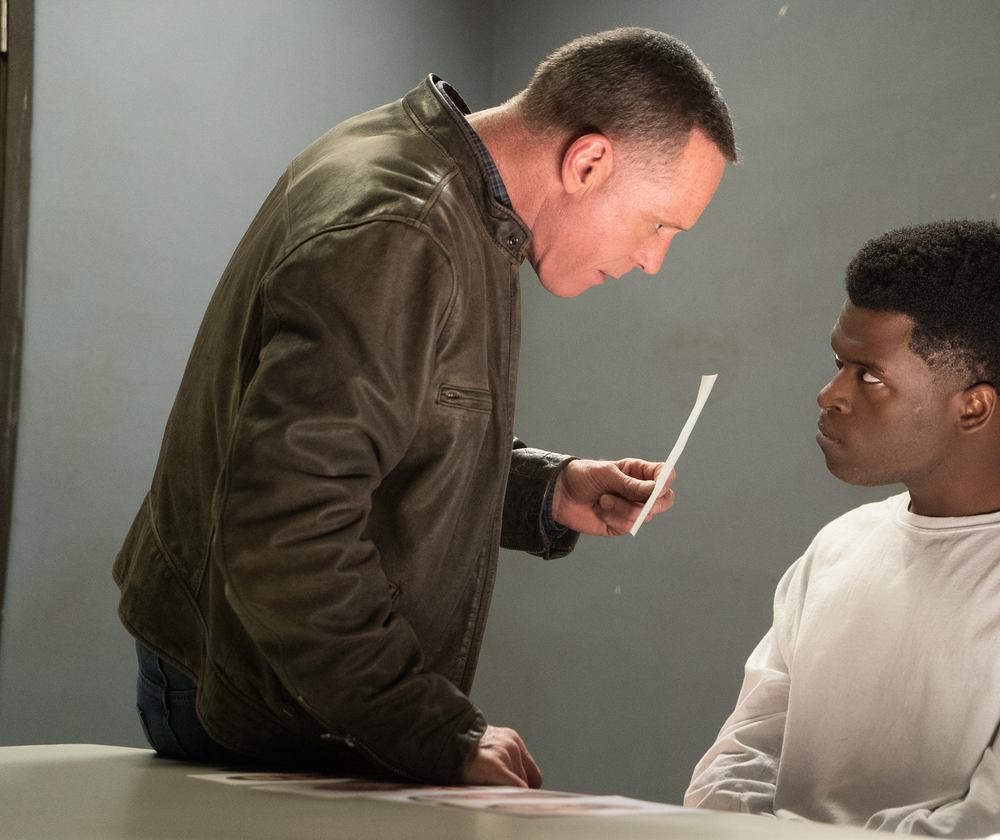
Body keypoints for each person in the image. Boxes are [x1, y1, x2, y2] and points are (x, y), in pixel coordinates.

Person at [113, 27, 736, 788]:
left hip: (275, 676)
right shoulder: (405, 228)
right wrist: (432, 729)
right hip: (256, 695)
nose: (653, 259)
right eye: (659, 224)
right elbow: (287, 526)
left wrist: (547, 491)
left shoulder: (439, 189)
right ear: (588, 162)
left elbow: (378, 439)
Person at [685, 221, 1000, 840]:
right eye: (838, 364)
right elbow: (735, 768)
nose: (828, 395)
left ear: (973, 406)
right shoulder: (840, 547)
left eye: (869, 376)